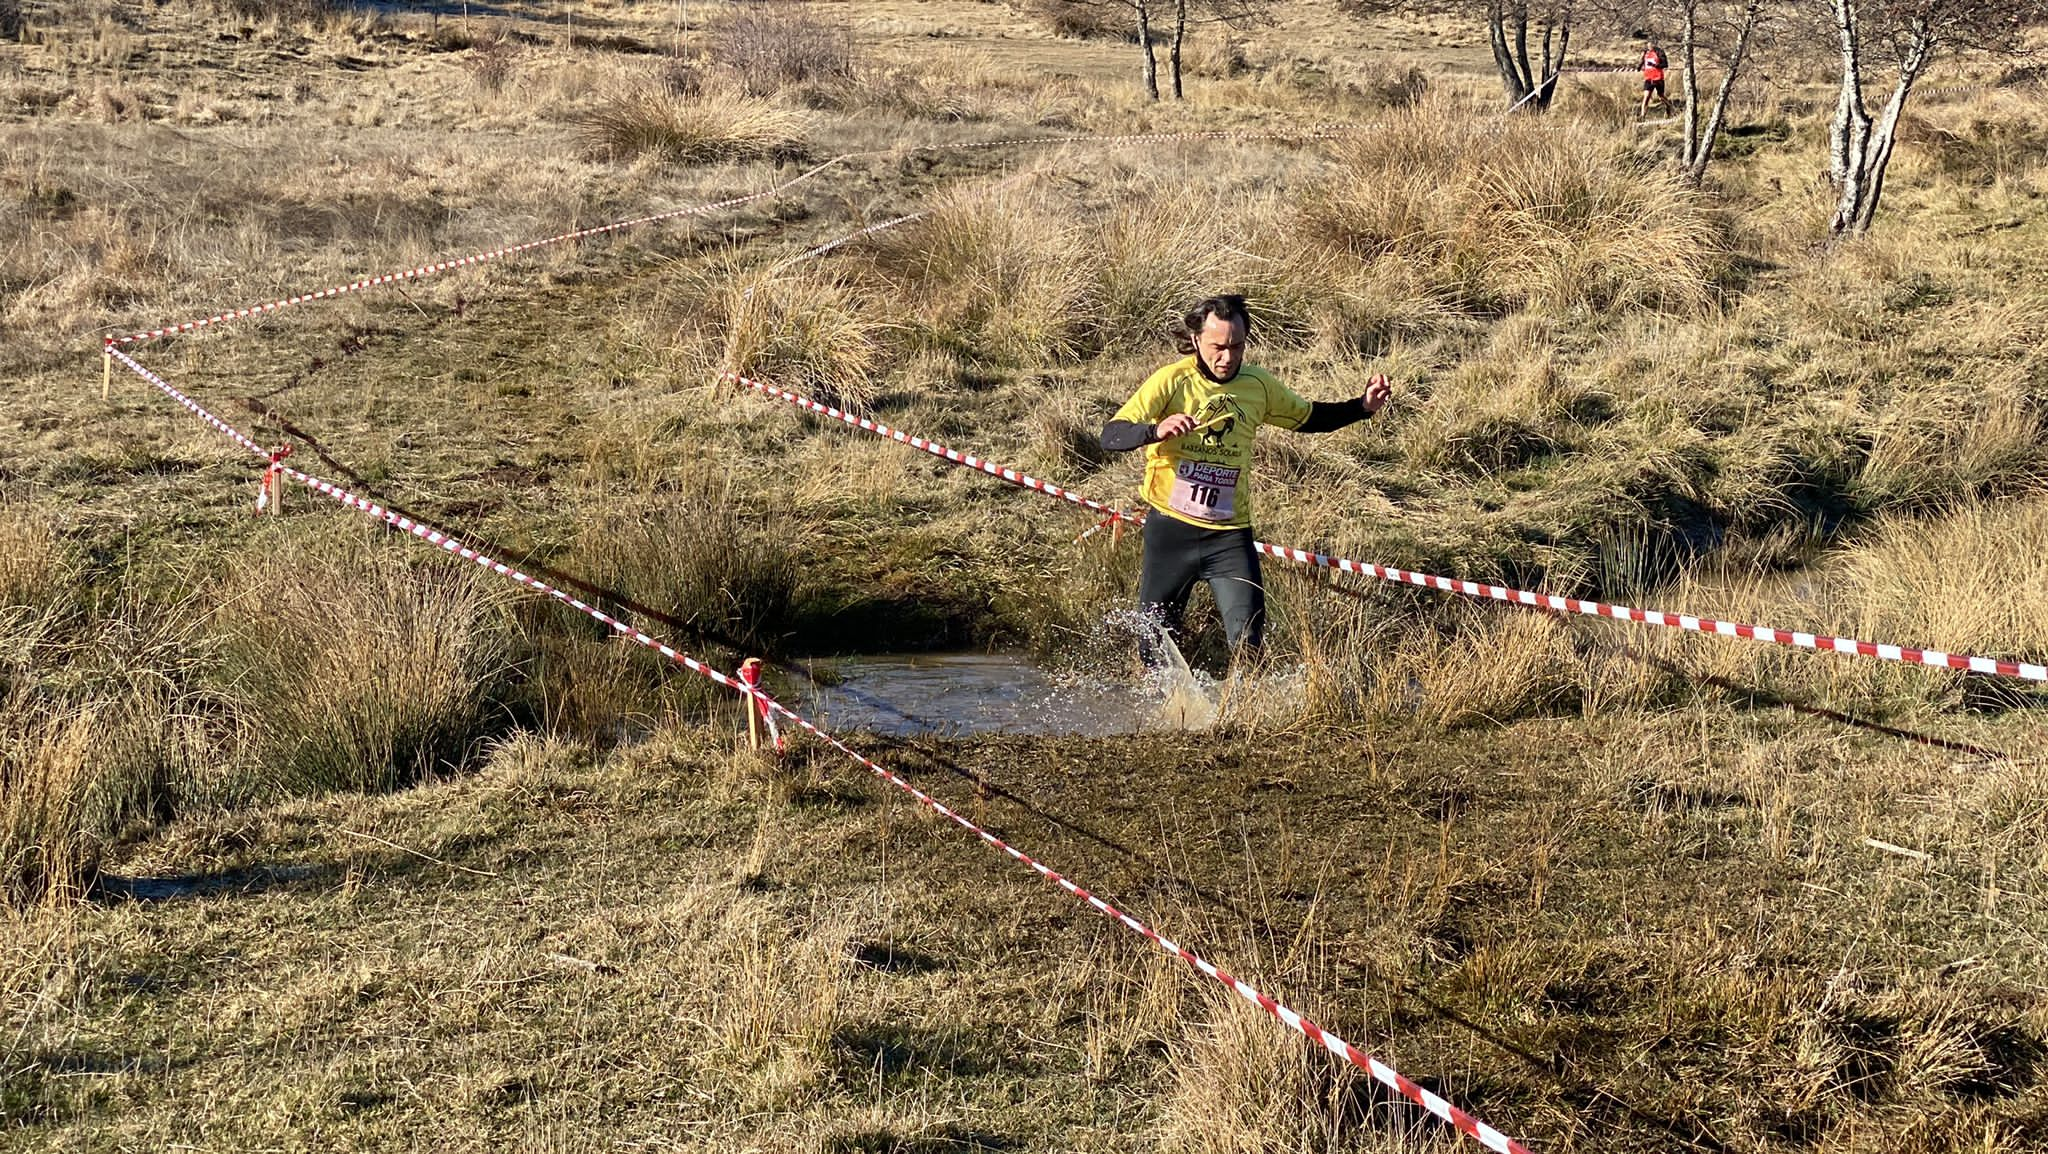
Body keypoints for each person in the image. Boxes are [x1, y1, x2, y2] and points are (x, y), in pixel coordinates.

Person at [1099, 294, 1391, 664]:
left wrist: (1362, 407)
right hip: (1170, 532)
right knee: (1155, 648)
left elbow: (1310, 417)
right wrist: (1155, 430)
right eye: (1217, 347)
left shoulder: (1259, 386)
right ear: (1196, 341)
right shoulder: (1171, 381)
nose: (1227, 358)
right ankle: (1166, 716)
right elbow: (1111, 435)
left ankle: (1243, 716)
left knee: (1250, 644)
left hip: (1229, 538)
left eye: (1236, 347)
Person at [1639, 41, 1672, 119]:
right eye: (1648, 45)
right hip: (1648, 78)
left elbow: (1665, 64)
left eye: (1651, 44)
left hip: (1658, 78)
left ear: (1654, 44)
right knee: (1646, 97)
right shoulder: (1645, 53)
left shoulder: (1659, 52)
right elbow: (1642, 62)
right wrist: (1639, 66)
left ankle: (1668, 106)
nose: (1649, 46)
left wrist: (1655, 65)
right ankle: (1642, 116)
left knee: (1661, 96)